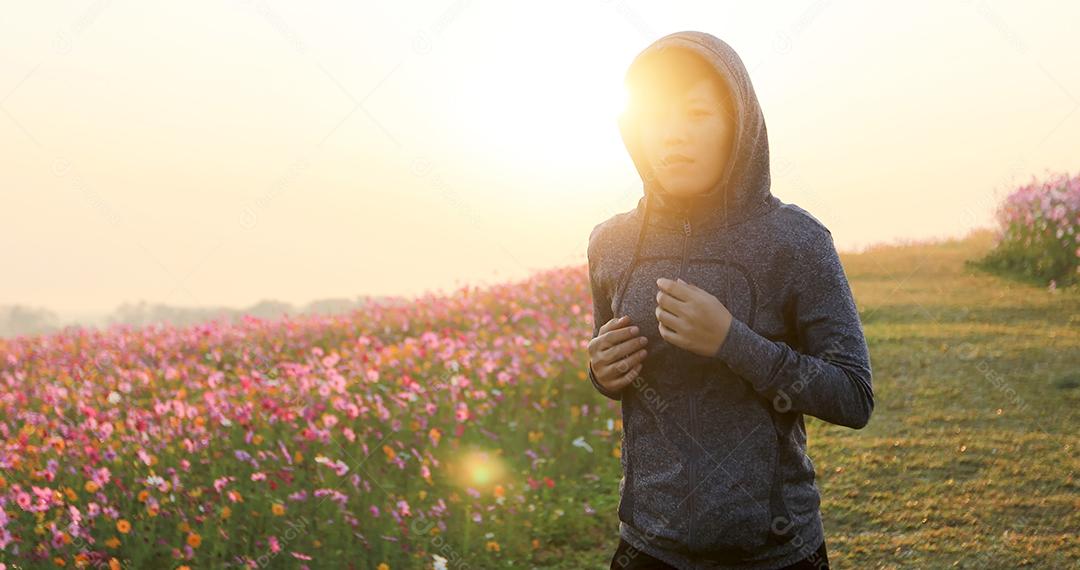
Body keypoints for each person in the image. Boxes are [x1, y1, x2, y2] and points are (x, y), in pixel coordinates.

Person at [586, 31, 874, 569]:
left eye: (697, 113)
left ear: (739, 123)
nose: (673, 135)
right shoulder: (612, 243)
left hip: (776, 551)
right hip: (648, 548)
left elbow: (854, 396)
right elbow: (614, 374)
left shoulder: (796, 241)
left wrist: (732, 342)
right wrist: (603, 370)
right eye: (655, 116)